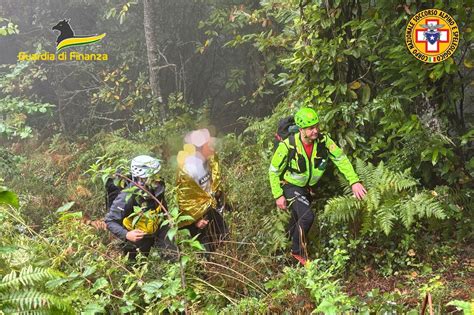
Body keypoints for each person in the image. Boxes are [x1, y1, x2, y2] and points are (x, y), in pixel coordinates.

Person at [269, 107, 367, 266]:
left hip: (308, 187)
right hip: (290, 185)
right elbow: (273, 171)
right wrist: (278, 195)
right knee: (307, 217)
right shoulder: (287, 146)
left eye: (317, 126)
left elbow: (340, 159)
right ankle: (297, 252)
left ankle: (284, 252)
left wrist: (354, 181)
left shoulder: (324, 141)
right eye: (311, 128)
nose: (316, 131)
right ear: (301, 130)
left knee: (297, 217)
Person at [105, 155, 177, 260]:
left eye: (156, 174)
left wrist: (168, 218)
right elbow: (110, 221)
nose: (157, 178)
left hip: (158, 226)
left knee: (172, 256)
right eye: (153, 176)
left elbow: (161, 204)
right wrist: (127, 234)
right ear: (142, 178)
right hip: (137, 236)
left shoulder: (158, 186)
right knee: (136, 266)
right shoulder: (127, 197)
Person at [176, 129, 228, 253]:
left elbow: (214, 180)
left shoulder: (209, 159)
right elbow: (184, 199)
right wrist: (196, 220)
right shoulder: (189, 169)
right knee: (204, 249)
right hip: (197, 213)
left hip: (210, 206)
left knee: (223, 235)